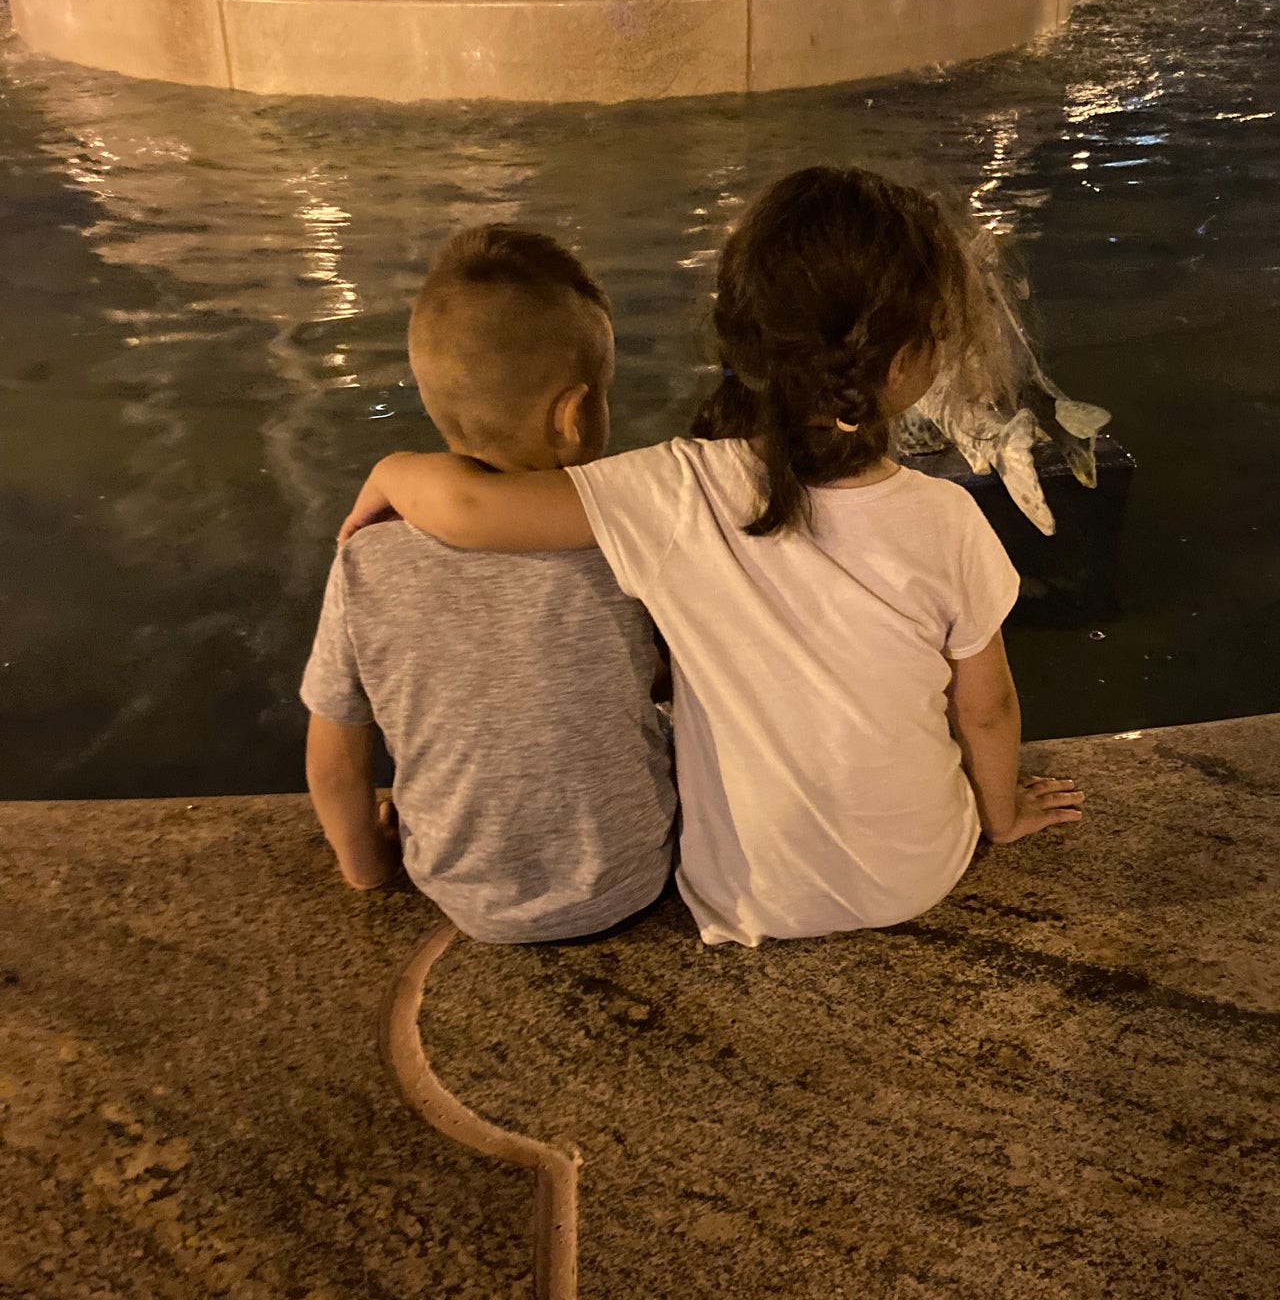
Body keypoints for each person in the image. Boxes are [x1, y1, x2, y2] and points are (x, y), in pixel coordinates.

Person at [338, 168, 1085, 951]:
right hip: (918, 874)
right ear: (905, 364)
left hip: (745, 897)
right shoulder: (948, 519)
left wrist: (391, 469)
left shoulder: (673, 490)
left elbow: (467, 510)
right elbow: (988, 710)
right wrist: (1001, 820)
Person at [301, 226, 677, 942]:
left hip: (459, 890)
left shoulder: (366, 559)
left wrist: (367, 869)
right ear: (574, 416)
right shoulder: (624, 534)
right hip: (634, 876)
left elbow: (334, 764)